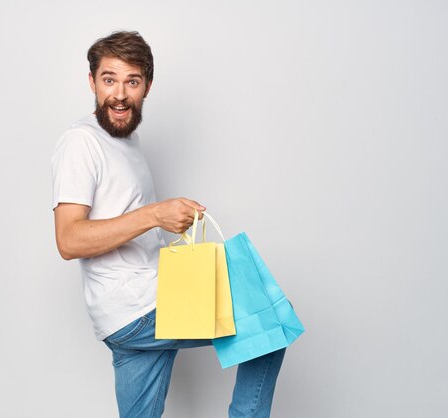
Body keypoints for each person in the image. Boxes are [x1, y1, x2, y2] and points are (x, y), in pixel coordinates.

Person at [51, 30, 285, 418]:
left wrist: (164, 223)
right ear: (91, 82)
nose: (120, 94)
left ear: (148, 86)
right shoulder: (80, 143)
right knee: (269, 320)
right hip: (139, 308)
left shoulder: (126, 140)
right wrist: (155, 215)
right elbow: (68, 239)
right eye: (109, 80)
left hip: (128, 311)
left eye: (132, 81)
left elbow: (124, 218)